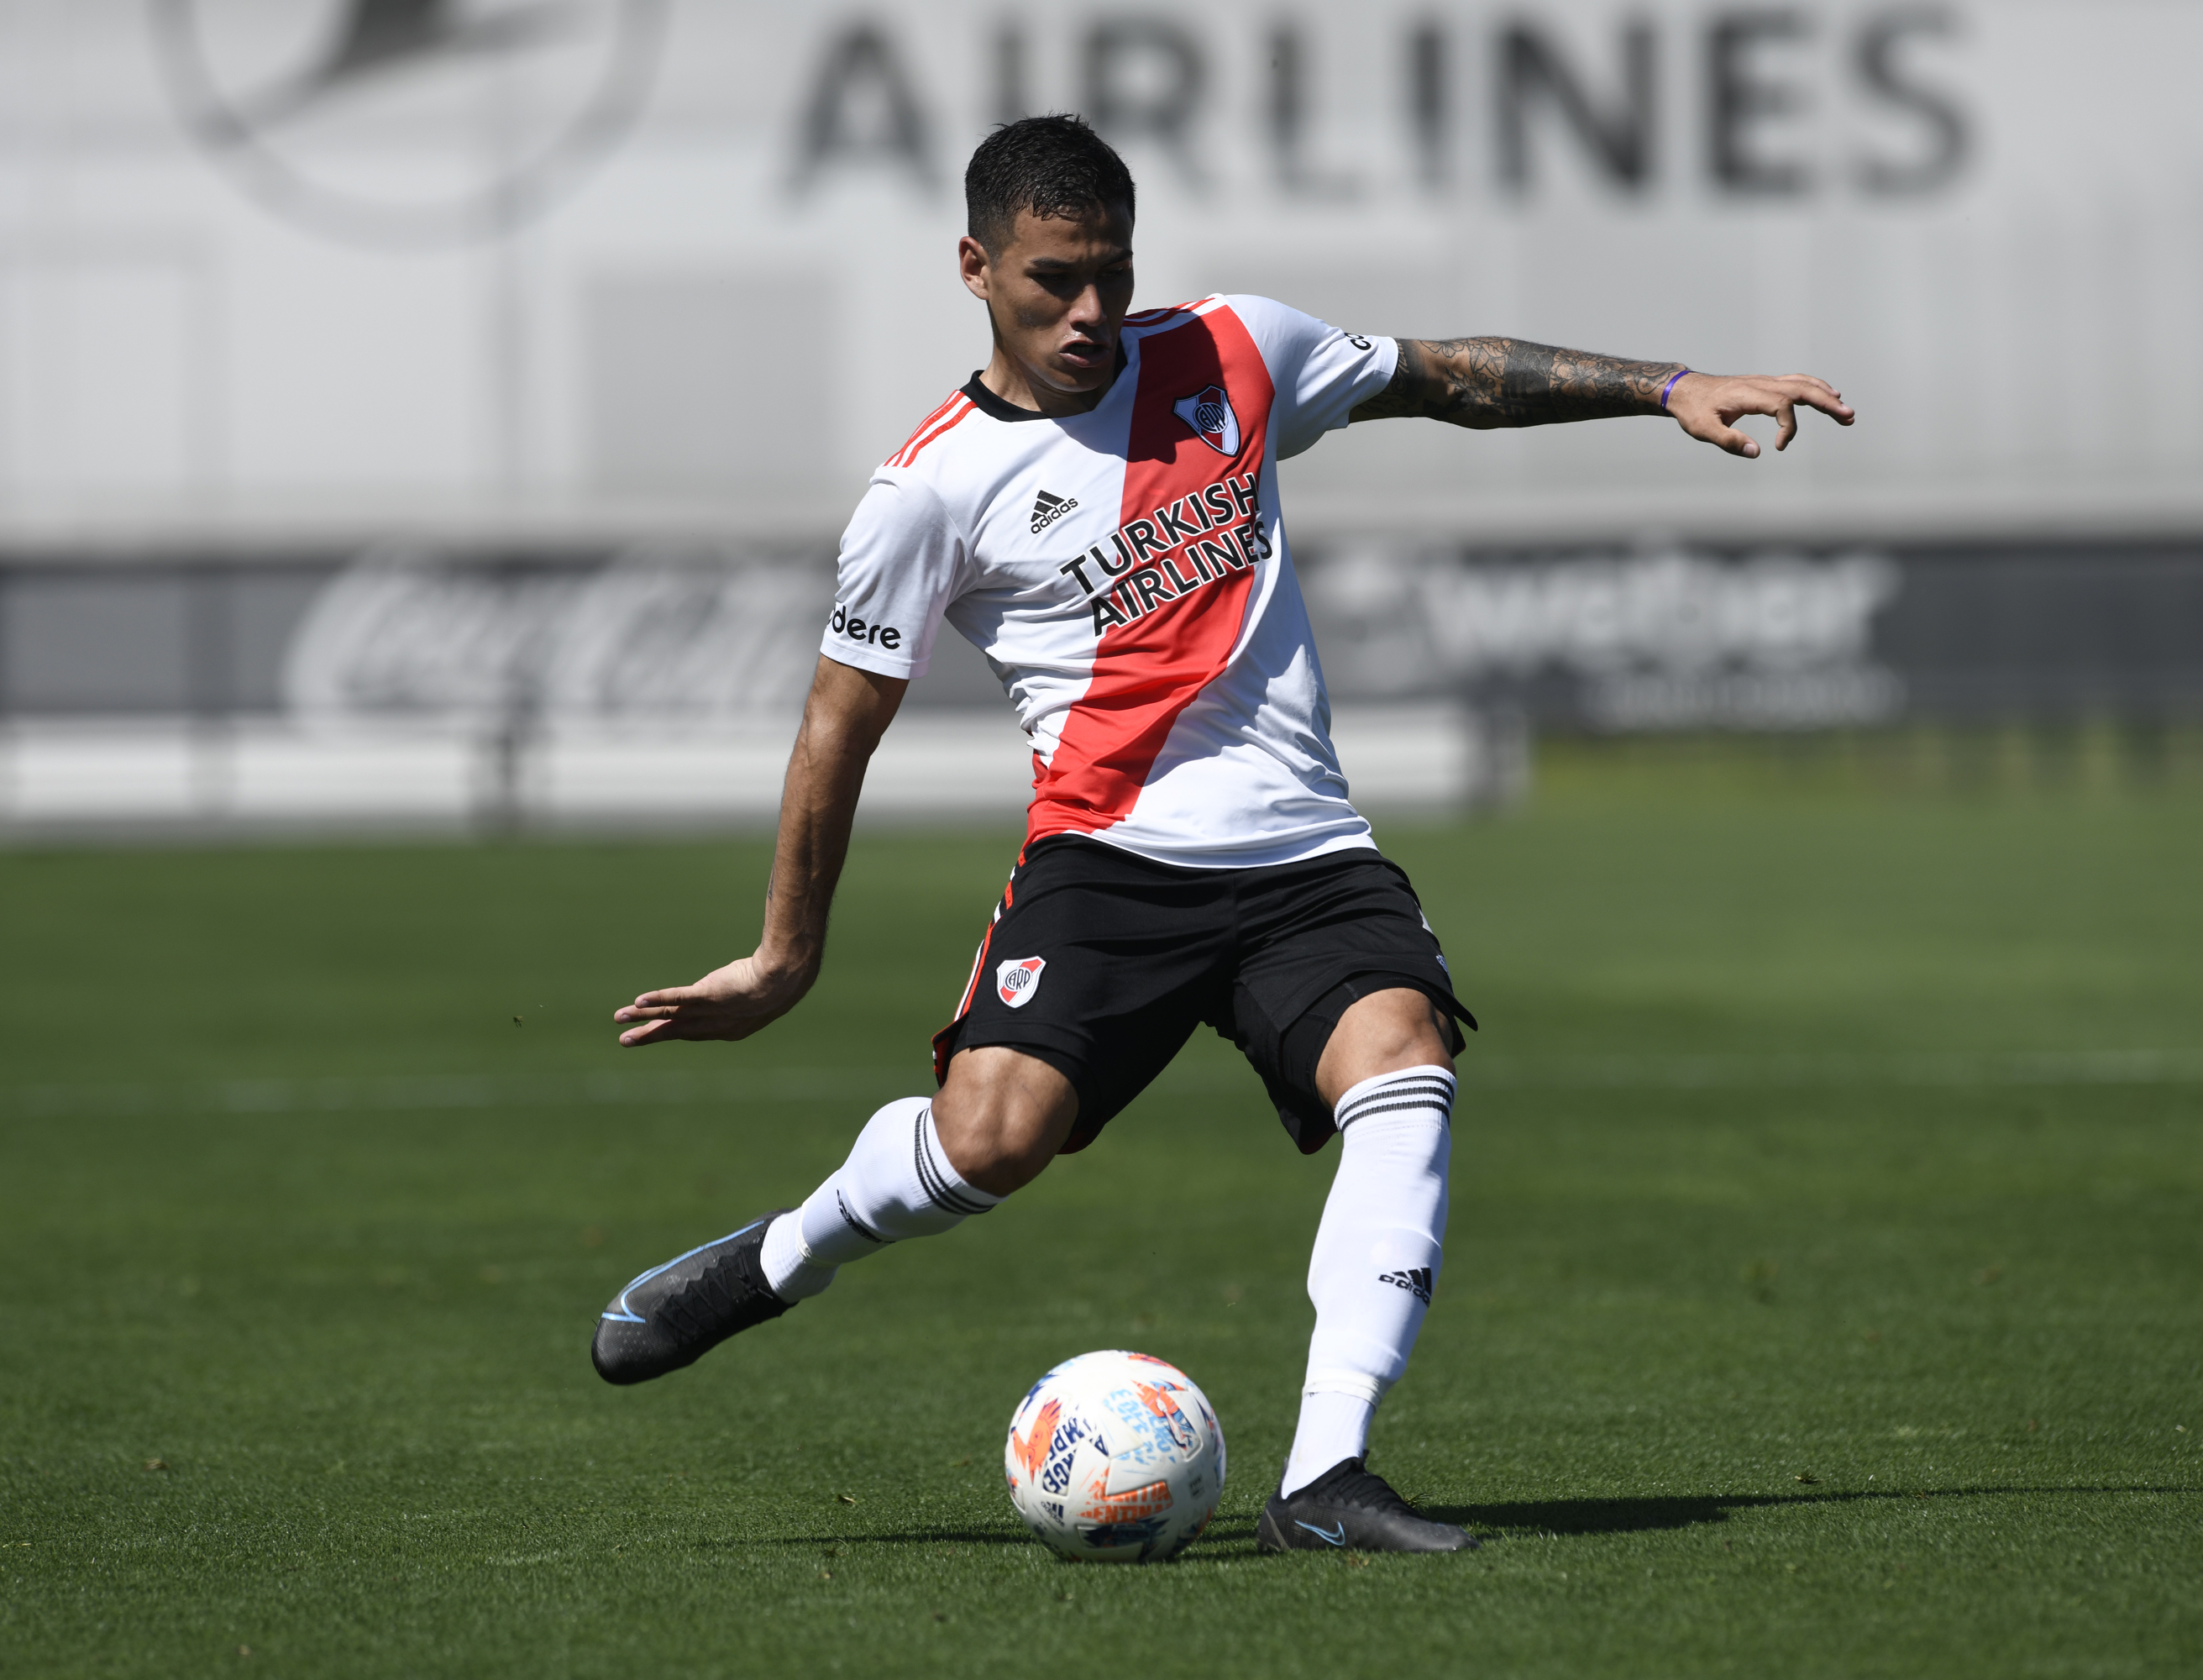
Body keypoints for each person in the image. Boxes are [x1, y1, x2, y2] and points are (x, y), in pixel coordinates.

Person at [590, 114, 1852, 1555]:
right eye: (1052, 280)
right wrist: (783, 955)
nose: (1089, 313)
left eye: (1112, 276)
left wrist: (1668, 385)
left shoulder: (1236, 350)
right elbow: (838, 724)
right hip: (1105, 860)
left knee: (1404, 1064)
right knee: (993, 1144)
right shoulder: (927, 489)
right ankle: (779, 1258)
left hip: (1305, 857)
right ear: (974, 267)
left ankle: (1327, 1477)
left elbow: (1444, 377)